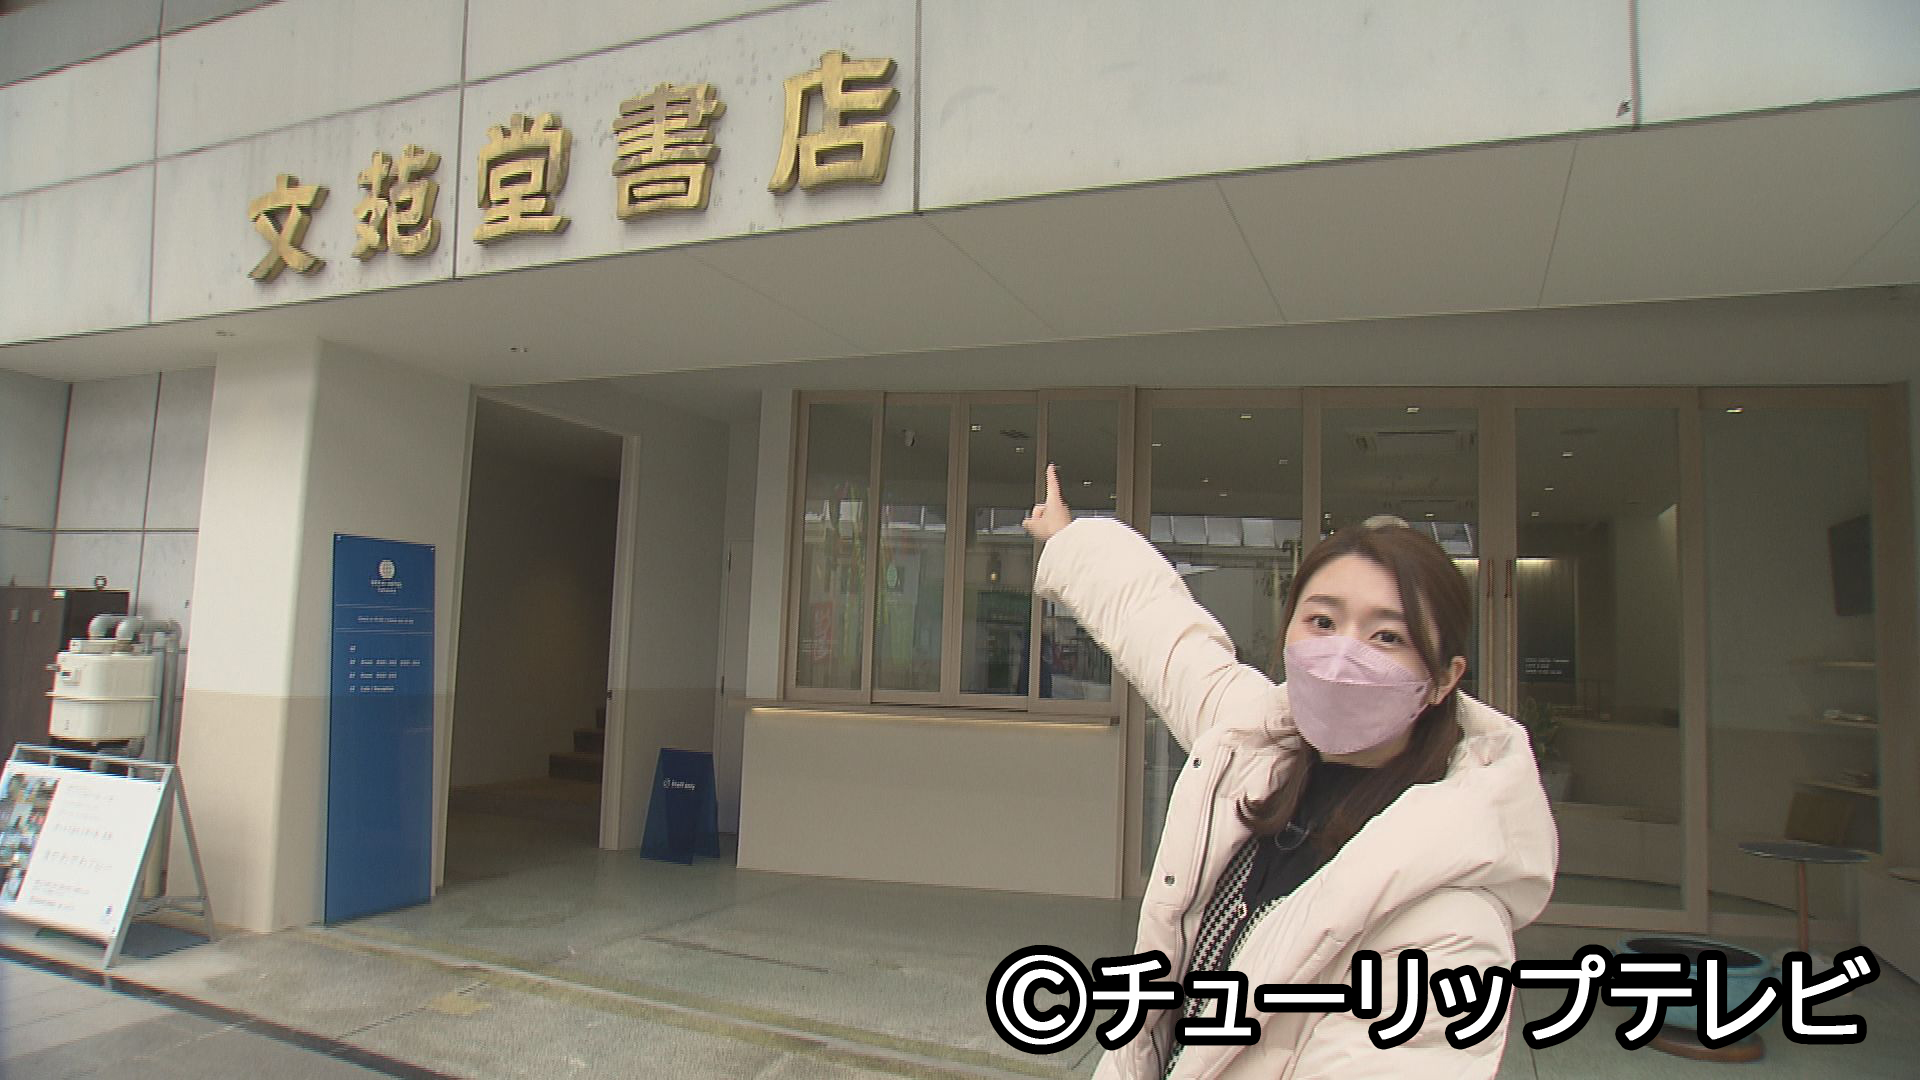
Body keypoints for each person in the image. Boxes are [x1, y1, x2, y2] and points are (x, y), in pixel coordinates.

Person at [1025, 465, 1557, 1079]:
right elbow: (1162, 632)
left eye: (1387, 636)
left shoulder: (1452, 927)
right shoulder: (1258, 744)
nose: (1342, 654)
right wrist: (1071, 540)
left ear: (1444, 678)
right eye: (1323, 622)